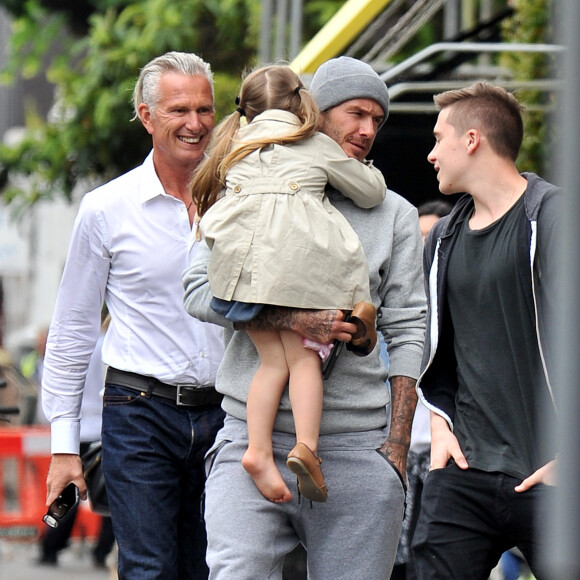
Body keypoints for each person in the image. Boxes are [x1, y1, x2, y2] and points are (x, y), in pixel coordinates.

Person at [183, 55, 426, 579]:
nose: (367, 130)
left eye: (377, 121)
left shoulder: (396, 215)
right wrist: (293, 318)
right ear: (315, 110)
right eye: (357, 114)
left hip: (359, 449)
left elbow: (408, 327)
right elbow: (198, 292)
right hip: (251, 439)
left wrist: (396, 450)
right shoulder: (241, 186)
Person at [40, 52, 225, 580]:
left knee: (216, 568)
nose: (195, 124)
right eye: (179, 110)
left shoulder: (242, 200)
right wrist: (63, 446)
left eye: (205, 109)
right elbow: (74, 326)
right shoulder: (106, 208)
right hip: (138, 411)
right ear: (146, 116)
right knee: (148, 570)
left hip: (228, 416)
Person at [191, 64, 386, 504]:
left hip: (238, 278)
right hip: (296, 276)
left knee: (271, 365)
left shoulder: (233, 146)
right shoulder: (312, 143)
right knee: (302, 364)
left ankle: (258, 452)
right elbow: (370, 192)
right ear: (304, 103)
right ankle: (307, 448)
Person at [412, 82, 560, 579]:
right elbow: (438, 350)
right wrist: (438, 424)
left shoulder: (555, 219)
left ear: (472, 139)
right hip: (465, 470)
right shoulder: (443, 241)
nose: (431, 153)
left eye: (439, 138)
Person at [391, 199, 452, 580]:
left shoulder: (458, 305)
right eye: (418, 240)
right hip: (394, 453)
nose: (423, 249)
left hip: (445, 455)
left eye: (432, 238)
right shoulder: (393, 309)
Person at [38, 314, 115, 568]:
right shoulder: (111, 345)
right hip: (103, 427)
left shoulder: (82, 347)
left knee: (67, 495)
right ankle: (102, 551)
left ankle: (51, 545)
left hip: (78, 429)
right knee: (110, 495)